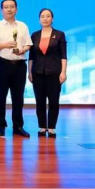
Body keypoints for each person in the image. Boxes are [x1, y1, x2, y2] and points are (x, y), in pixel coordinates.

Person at [0, 0, 33, 138]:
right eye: (6, 7)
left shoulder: (22, 26)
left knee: (18, 97)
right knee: (0, 96)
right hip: (2, 64)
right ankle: (0, 126)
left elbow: (28, 44)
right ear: (1, 10)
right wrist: (5, 45)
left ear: (16, 9)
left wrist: (23, 50)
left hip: (19, 65)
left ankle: (18, 126)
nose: (9, 9)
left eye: (12, 7)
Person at [29, 9, 68, 138]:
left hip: (54, 72)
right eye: (42, 16)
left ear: (52, 19)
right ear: (39, 19)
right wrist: (29, 72)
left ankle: (51, 128)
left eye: (48, 16)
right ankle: (42, 127)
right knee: (39, 101)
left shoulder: (59, 34)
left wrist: (63, 72)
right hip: (37, 72)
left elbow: (63, 55)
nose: (45, 19)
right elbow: (31, 57)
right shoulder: (34, 35)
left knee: (53, 101)